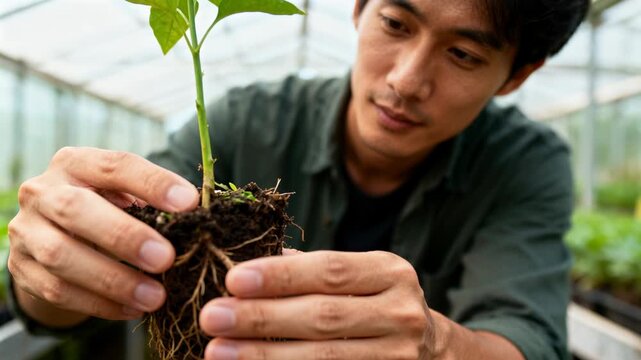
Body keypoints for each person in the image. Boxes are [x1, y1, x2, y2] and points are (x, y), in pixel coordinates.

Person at [7, 0, 590, 359]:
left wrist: (439, 348)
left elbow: (526, 338)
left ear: (518, 75)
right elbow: (74, 295)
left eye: (462, 54)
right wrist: (50, 267)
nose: (407, 80)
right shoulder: (244, 123)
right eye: (396, 21)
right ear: (360, 7)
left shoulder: (524, 165)